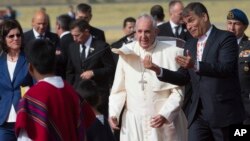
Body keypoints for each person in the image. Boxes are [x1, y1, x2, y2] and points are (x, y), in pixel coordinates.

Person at [143, 2, 245, 141]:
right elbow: (183, 77)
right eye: (185, 23)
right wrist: (157, 69)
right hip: (198, 114)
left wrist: (196, 65)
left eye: (191, 20)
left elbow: (225, 68)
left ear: (204, 17)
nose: (189, 26)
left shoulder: (226, 38)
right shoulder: (190, 44)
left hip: (224, 114)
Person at [109, 14, 187, 141]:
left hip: (162, 122)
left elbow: (178, 92)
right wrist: (114, 113)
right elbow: (119, 89)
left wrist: (165, 114)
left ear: (156, 32)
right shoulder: (126, 52)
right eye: (139, 32)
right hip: (134, 124)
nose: (143, 36)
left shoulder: (173, 53)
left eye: (147, 32)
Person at [15, 39, 85, 141]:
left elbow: (26, 137)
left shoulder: (31, 97)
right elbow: (86, 126)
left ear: (30, 68)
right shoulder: (72, 92)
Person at [66, 18, 115, 118]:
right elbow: (70, 72)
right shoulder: (72, 47)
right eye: (72, 36)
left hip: (98, 97)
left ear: (86, 32)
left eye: (77, 35)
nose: (74, 39)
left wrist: (94, 73)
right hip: (79, 95)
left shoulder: (101, 47)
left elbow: (111, 68)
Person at [0, 19, 32, 140]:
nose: (15, 38)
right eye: (11, 36)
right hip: (4, 122)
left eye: (18, 35)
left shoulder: (29, 60)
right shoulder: (0, 62)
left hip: (25, 119)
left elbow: (36, 86)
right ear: (4, 39)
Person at [226, 8, 250, 125]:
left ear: (245, 26)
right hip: (225, 107)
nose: (231, 28)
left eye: (236, 24)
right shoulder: (220, 46)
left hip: (246, 107)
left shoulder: (248, 46)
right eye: (229, 23)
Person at [55, 14, 74, 79]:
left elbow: (60, 62)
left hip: (64, 79)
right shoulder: (76, 39)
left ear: (58, 26)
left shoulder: (61, 42)